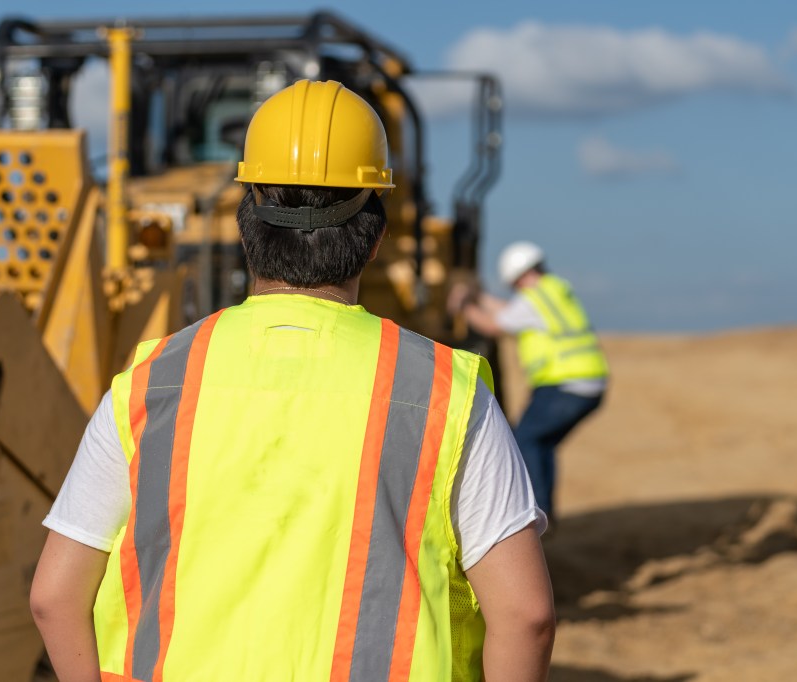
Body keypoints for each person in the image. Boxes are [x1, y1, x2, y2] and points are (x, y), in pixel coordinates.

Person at [29, 80, 555, 682]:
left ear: (245, 228)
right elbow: (527, 617)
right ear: (376, 239)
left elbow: (53, 598)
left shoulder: (150, 384)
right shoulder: (446, 394)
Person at [448, 241, 609, 520]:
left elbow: (493, 325)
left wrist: (464, 306)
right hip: (586, 383)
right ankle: (546, 511)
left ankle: (536, 513)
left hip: (567, 384)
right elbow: (509, 310)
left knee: (525, 440)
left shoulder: (532, 300)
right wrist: (479, 296)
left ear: (520, 276)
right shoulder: (551, 291)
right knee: (541, 443)